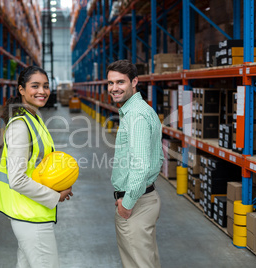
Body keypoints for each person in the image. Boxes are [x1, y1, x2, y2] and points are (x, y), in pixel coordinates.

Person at [0, 66, 73, 268]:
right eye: (35, 86)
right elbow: (17, 179)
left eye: (46, 86)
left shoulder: (34, 118)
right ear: (21, 89)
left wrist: (60, 183)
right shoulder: (21, 125)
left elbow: (39, 167)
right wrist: (56, 196)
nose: (42, 91)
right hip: (30, 217)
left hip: (31, 212)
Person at [107, 60, 164, 268]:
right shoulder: (140, 110)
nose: (114, 88)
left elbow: (140, 166)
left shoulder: (137, 115)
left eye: (120, 82)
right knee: (147, 262)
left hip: (136, 203)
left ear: (134, 82)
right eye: (111, 83)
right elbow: (157, 158)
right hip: (145, 199)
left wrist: (127, 204)